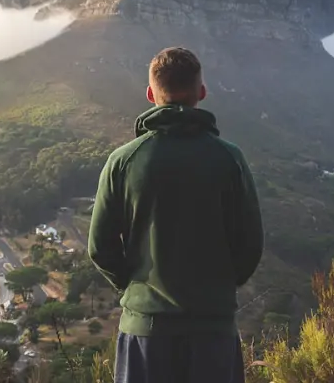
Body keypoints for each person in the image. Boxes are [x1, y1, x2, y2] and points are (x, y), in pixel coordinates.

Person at [88, 47, 264, 383]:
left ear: (151, 93)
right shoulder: (229, 159)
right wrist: (221, 286)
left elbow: (100, 247)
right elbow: (250, 245)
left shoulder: (124, 161)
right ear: (201, 92)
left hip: (145, 333)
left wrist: (133, 288)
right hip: (213, 330)